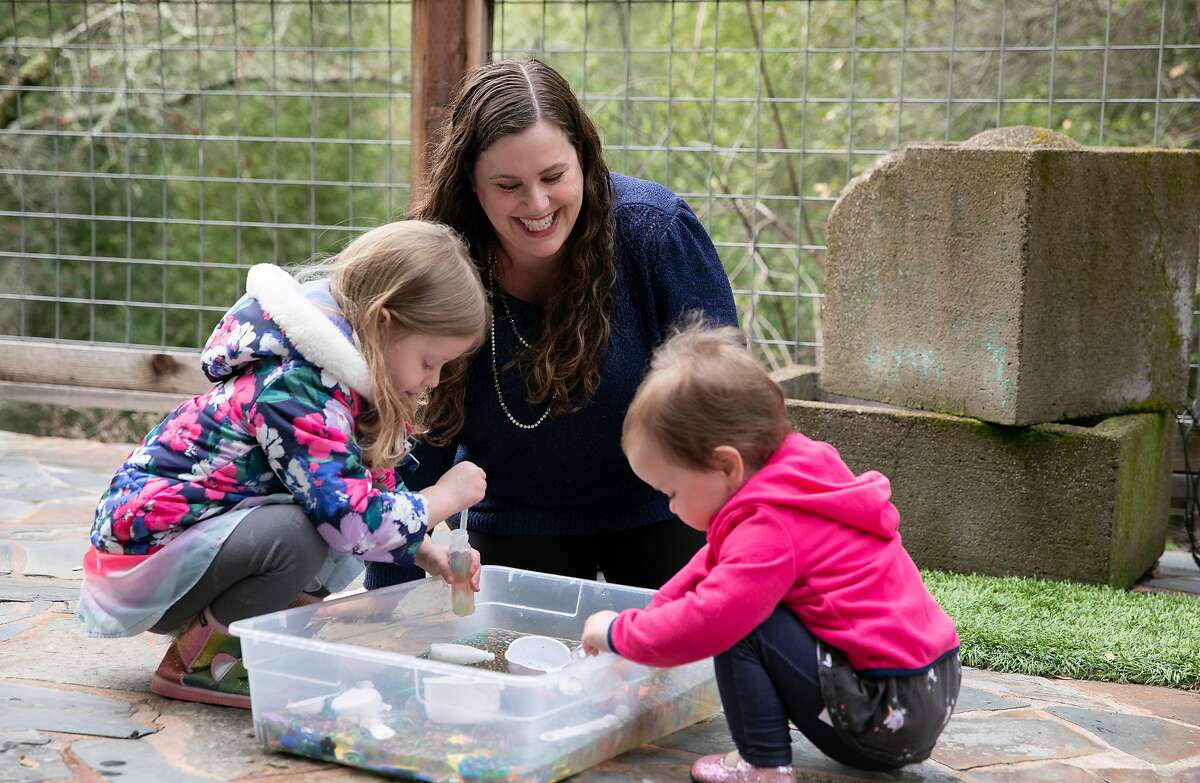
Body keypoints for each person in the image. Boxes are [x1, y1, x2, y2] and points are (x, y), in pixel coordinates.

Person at [77, 220, 490, 709]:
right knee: (309, 533)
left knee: (338, 527)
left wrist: (423, 550)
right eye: (429, 360)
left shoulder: (338, 384)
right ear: (385, 321)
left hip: (187, 554)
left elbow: (362, 496)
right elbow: (351, 520)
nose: (433, 381)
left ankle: (261, 643)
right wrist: (446, 496)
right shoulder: (297, 385)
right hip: (144, 568)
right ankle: (206, 665)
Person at [365, 59, 738, 593]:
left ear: (584, 160)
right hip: (518, 521)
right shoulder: (439, 260)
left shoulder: (656, 233)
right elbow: (416, 439)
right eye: (508, 184)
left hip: (668, 508)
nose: (536, 203)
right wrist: (383, 601)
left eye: (554, 176)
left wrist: (746, 545)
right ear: (472, 183)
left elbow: (725, 406)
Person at [580, 322, 961, 782]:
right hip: (928, 687)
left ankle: (763, 765)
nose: (671, 506)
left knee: (739, 622)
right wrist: (648, 618)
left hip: (884, 713)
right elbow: (708, 567)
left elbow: (711, 615)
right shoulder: (796, 479)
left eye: (672, 490)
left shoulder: (770, 526)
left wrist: (621, 634)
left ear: (726, 465)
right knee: (747, 599)